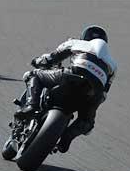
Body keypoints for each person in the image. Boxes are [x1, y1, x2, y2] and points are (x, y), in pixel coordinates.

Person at [14, 25, 117, 153]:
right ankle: (66, 138)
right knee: (86, 122)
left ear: (85, 37)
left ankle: (32, 105)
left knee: (34, 75)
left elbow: (51, 58)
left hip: (72, 75)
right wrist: (91, 106)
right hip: (95, 90)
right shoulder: (113, 64)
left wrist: (37, 61)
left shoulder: (76, 43)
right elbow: (104, 94)